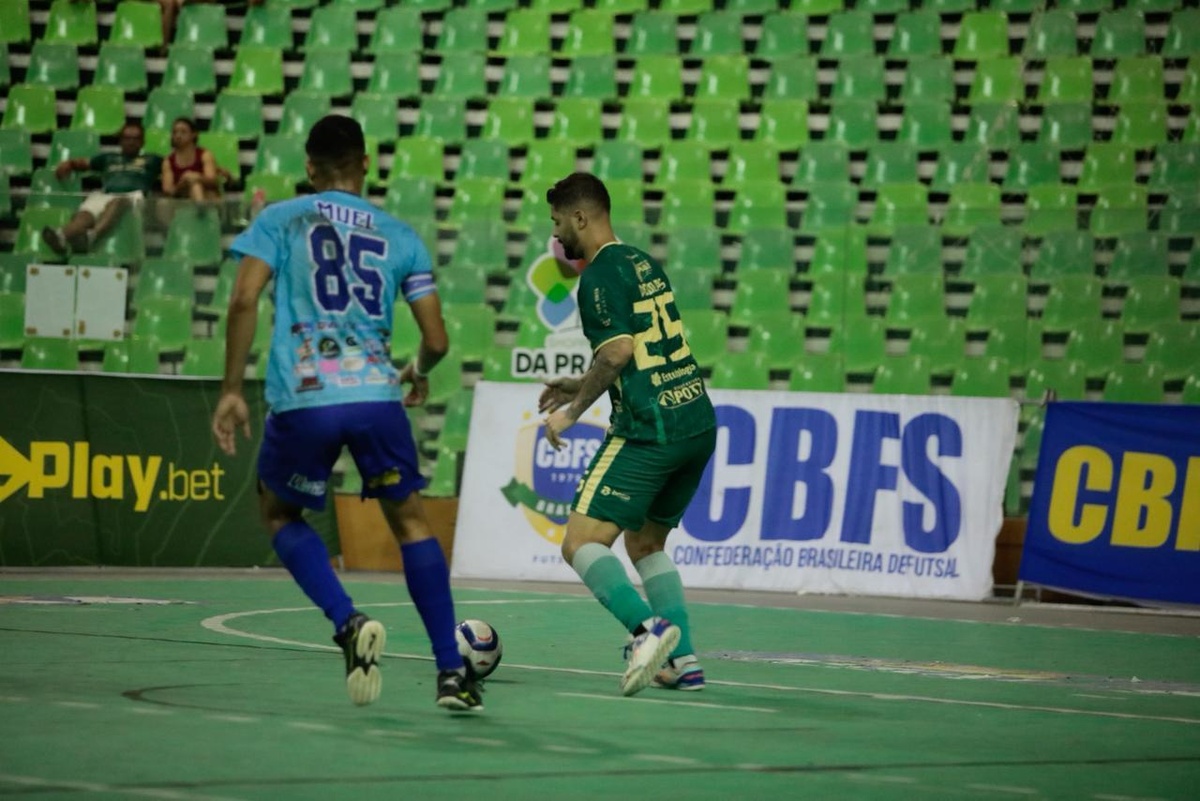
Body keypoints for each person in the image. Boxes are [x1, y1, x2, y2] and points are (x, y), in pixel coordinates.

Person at [210, 115, 482, 712]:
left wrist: (232, 387)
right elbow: (436, 339)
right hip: (376, 397)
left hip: (305, 395)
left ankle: (346, 620)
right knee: (410, 521)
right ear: (366, 162)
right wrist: (417, 371)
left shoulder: (280, 219)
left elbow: (242, 299)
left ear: (309, 169)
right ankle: (451, 674)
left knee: (279, 511)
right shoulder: (400, 236)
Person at [538, 173, 716, 696]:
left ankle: (651, 633)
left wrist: (572, 411)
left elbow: (615, 354)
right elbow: (636, 349)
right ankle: (684, 663)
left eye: (556, 222)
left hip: (651, 430)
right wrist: (580, 382)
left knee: (579, 544)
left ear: (580, 217)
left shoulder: (596, 277)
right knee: (646, 542)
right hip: (696, 422)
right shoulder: (641, 260)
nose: (555, 235)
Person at [42, 122, 162, 259]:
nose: (131, 142)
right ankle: (61, 236)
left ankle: (91, 236)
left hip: (135, 197)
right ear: (121, 140)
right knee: (85, 214)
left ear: (142, 142)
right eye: (127, 138)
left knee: (119, 201)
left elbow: (175, 165)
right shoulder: (108, 158)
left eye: (136, 138)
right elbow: (83, 163)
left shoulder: (152, 160)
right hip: (106, 195)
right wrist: (69, 164)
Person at [161, 117, 226, 204]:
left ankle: (200, 214)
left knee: (196, 186)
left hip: (207, 194)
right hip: (180, 198)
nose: (178, 136)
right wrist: (183, 183)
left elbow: (212, 180)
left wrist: (197, 177)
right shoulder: (168, 161)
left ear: (193, 134)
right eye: (175, 132)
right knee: (163, 203)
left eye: (183, 132)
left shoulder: (205, 155)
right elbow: (168, 190)